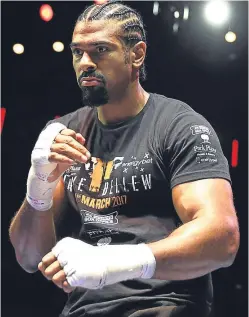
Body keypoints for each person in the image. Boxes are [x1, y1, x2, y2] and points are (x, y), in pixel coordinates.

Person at [9, 1, 240, 317]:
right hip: (83, 309)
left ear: (137, 54)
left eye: (100, 50)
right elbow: (28, 257)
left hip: (162, 304)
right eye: (78, 52)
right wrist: (38, 188)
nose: (85, 62)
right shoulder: (65, 132)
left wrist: (113, 263)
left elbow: (222, 237)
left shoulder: (179, 125)